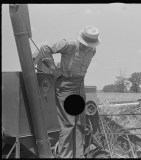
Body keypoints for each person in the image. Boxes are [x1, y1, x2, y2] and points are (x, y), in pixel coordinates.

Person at [33, 25, 101, 158]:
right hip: (66, 85)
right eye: (86, 44)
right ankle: (65, 156)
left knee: (80, 123)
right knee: (68, 124)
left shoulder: (93, 51)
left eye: (90, 44)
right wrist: (53, 68)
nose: (88, 47)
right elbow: (45, 48)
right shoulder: (69, 44)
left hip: (80, 85)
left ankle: (79, 155)